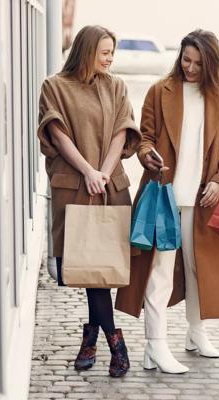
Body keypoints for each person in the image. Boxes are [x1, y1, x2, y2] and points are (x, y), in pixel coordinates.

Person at [115, 29, 219, 373]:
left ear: (211, 63)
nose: (190, 67)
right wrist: (147, 155)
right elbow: (145, 138)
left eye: (198, 63)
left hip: (203, 198)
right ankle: (155, 344)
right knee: (160, 272)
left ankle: (196, 332)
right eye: (186, 59)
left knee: (200, 269)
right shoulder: (160, 90)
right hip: (164, 194)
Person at [37, 25, 141, 378]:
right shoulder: (55, 86)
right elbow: (57, 133)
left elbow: (121, 133)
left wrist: (104, 173)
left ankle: (93, 337)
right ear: (86, 51)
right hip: (75, 189)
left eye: (113, 52)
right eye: (105, 52)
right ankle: (115, 342)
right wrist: (87, 171)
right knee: (87, 269)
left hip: (110, 189)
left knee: (103, 270)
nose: (111, 59)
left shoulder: (117, 86)